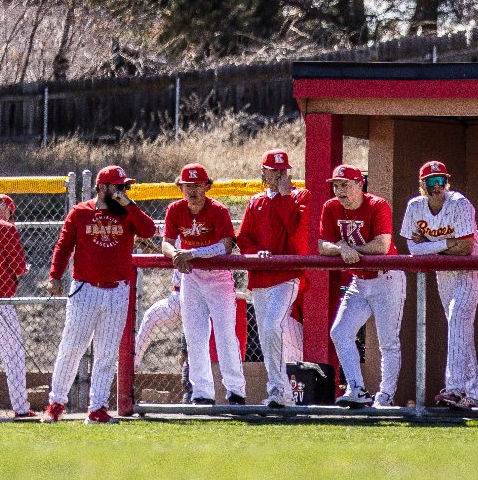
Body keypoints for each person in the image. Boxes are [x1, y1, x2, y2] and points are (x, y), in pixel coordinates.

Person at [44, 165, 156, 424]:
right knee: (72, 347)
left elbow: (148, 231)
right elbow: (64, 245)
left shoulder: (128, 212)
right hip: (86, 288)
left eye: (125, 186)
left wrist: (129, 203)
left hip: (117, 289)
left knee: (106, 352)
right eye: (118, 186)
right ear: (103, 187)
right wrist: (55, 275)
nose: (123, 190)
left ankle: (97, 408)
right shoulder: (81, 212)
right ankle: (56, 403)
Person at [401, 161, 478, 410]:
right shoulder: (415, 206)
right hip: (445, 265)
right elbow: (412, 249)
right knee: (458, 324)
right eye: (431, 181)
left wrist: (432, 246)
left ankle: (454, 389)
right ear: (422, 185)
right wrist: (445, 244)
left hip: (474, 262)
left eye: (441, 180)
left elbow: (464, 248)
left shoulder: (459, 203)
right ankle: (472, 394)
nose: (437, 185)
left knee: (458, 317)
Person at [320, 164, 404, 409]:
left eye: (344, 185)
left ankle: (386, 395)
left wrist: (351, 249)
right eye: (336, 185)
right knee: (340, 332)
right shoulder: (331, 207)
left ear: (360, 184)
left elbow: (382, 245)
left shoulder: (378, 204)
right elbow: (322, 245)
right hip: (360, 279)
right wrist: (341, 248)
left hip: (386, 278)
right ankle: (356, 389)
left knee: (388, 341)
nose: (339, 190)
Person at [162, 163, 245, 406]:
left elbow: (225, 246)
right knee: (195, 336)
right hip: (192, 277)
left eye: (198, 185)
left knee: (225, 335)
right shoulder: (175, 210)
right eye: (188, 186)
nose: (193, 191)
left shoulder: (218, 210)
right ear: (181, 187)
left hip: (218, 277)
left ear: (207, 186)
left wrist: (191, 253)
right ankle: (202, 393)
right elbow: (166, 242)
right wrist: (175, 254)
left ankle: (236, 391)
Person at [236, 148, 311, 408]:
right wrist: (257, 252)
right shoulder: (254, 201)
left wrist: (283, 195)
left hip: (287, 275)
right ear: (264, 172)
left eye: (283, 170)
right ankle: (280, 391)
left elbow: (294, 228)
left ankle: (281, 389)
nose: (279, 174)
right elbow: (243, 238)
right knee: (268, 336)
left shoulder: (300, 196)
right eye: (274, 170)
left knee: (271, 327)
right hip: (260, 277)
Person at [0, 194, 33, 418]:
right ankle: (21, 408)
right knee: (13, 354)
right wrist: (25, 269)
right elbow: (19, 266)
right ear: (7, 211)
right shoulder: (6, 228)